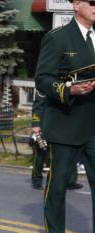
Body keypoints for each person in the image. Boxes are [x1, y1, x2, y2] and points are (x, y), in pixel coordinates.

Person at [34, 1, 95, 231]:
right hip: (65, 123)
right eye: (92, 2)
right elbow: (43, 78)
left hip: (93, 124)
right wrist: (68, 89)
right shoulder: (57, 37)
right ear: (76, 4)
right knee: (58, 186)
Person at [31, 91, 83, 191]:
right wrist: (36, 123)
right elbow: (38, 104)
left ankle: (70, 181)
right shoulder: (47, 81)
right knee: (41, 153)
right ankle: (36, 180)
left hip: (62, 122)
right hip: (45, 122)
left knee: (69, 150)